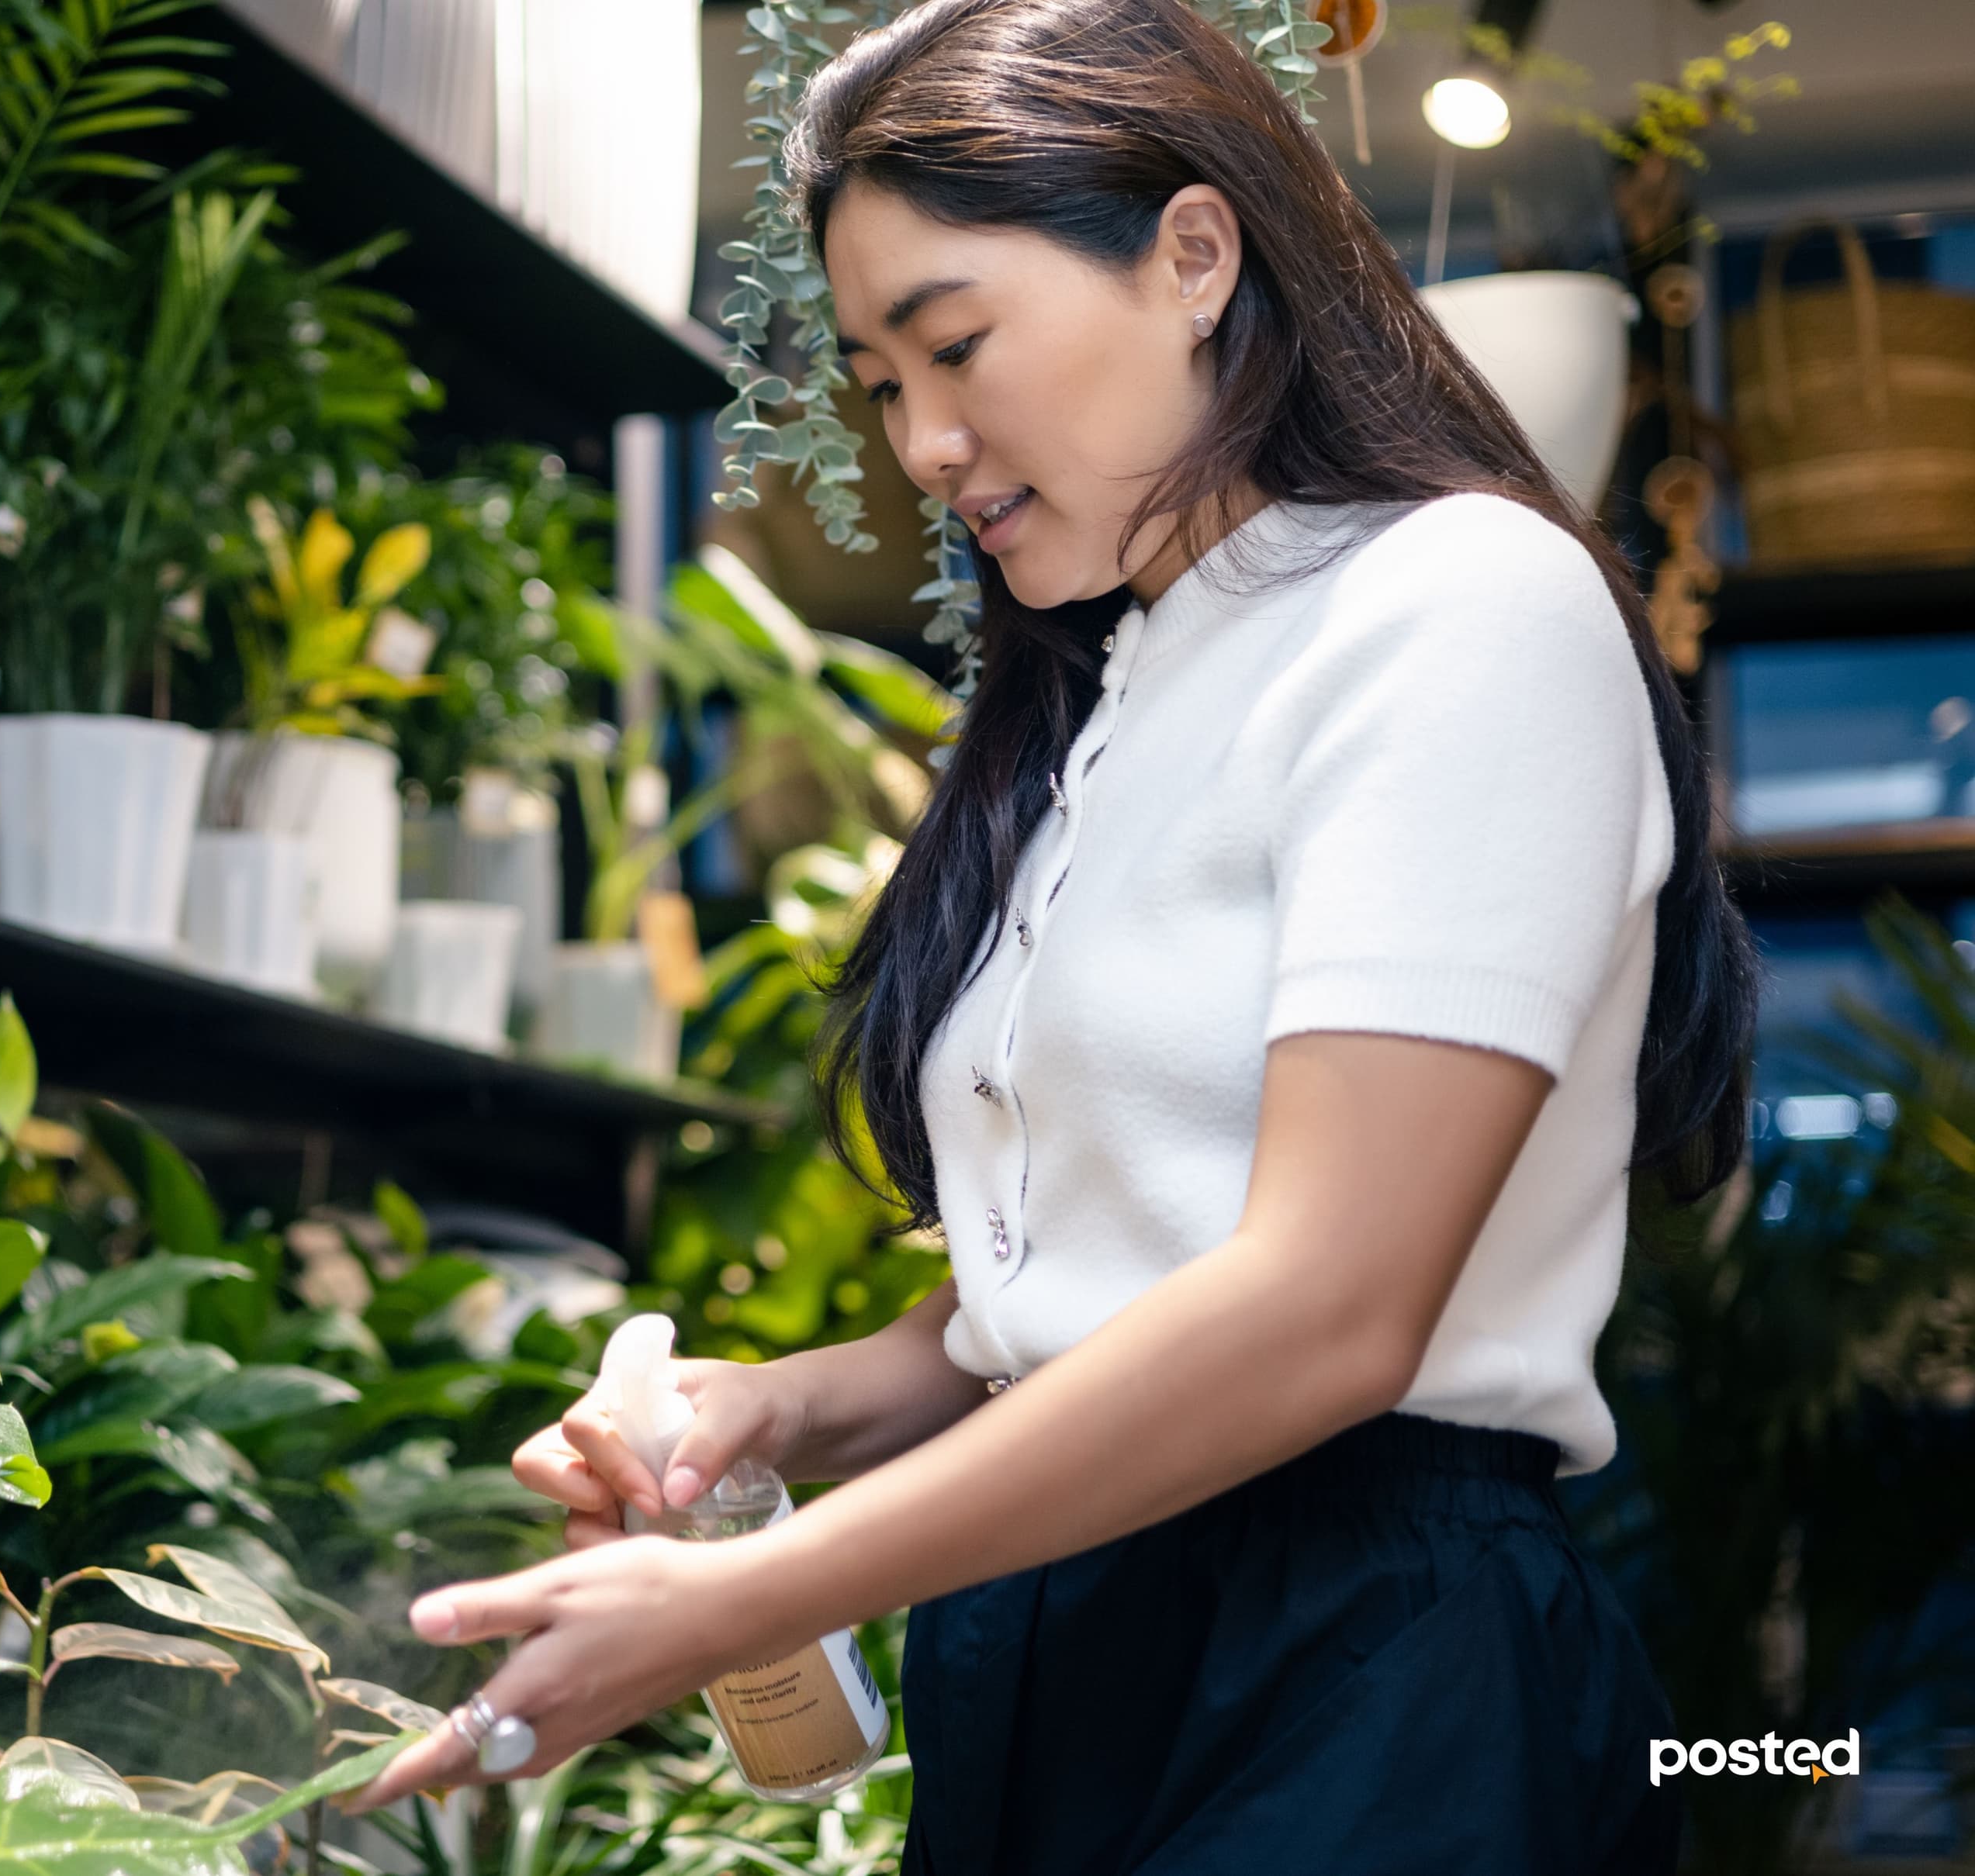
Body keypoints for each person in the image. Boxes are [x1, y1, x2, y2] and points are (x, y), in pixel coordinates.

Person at [345, 0, 1759, 1867]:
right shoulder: (1112, 694)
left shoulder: (1459, 600)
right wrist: (775, 1405)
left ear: (1194, 253)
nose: (925, 441)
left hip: (1359, 1648)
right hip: (1064, 1624)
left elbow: (1330, 1306)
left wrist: (759, 1597)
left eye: (957, 344)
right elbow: (1090, 1287)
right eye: (875, 383)